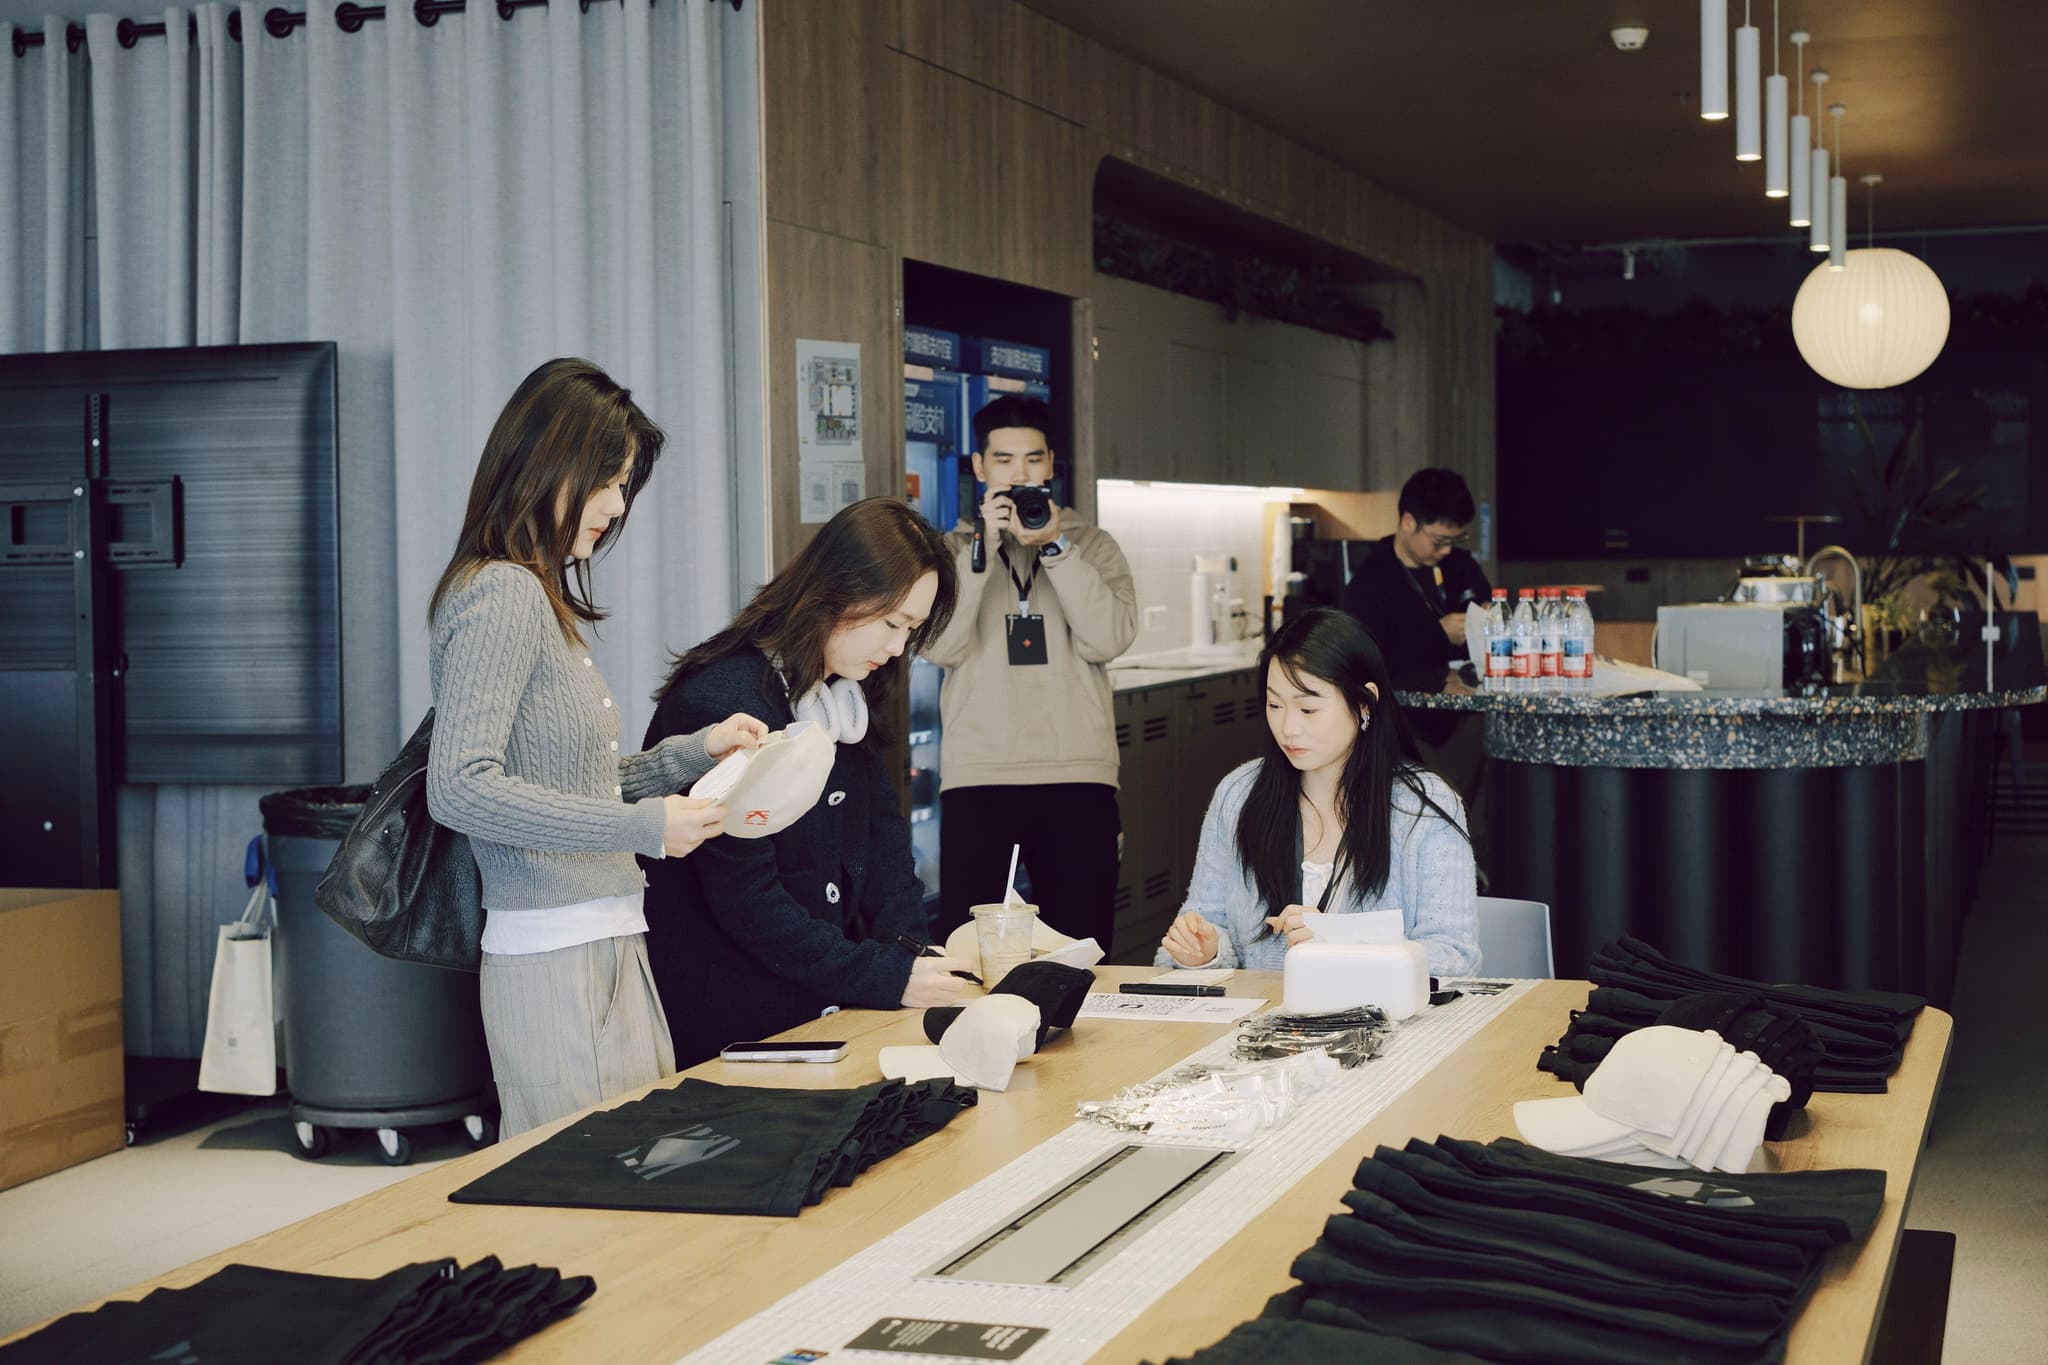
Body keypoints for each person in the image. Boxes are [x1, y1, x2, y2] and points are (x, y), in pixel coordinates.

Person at [426, 357, 767, 1138]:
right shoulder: (502, 592)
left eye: (623, 486)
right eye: (608, 481)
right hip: (558, 954)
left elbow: (566, 781)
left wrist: (694, 754)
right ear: (550, 463)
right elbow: (462, 787)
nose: (616, 506)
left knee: (630, 1186)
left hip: (604, 938)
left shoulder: (537, 597)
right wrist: (646, 829)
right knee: (584, 1193)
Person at [643, 497, 972, 1069]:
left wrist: (915, 957)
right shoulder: (724, 705)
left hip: (823, 1005)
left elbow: (886, 846)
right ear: (835, 591)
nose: (897, 648)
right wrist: (887, 977)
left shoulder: (842, 699)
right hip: (734, 1024)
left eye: (910, 631)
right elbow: (748, 902)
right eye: (892, 624)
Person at [1155, 607, 1480, 977]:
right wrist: (1204, 950)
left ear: (1364, 704)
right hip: (1266, 1027)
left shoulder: (1422, 806)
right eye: (1275, 705)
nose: (1288, 727)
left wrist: (1340, 945)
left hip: (1387, 1030)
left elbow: (1455, 958)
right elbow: (1207, 923)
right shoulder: (1240, 794)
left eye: (1308, 709)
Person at [925, 394, 1138, 951]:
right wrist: (982, 550)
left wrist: (1057, 548)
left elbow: (1109, 637)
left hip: (1078, 774)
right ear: (979, 467)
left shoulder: (1093, 545)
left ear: (1050, 466)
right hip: (979, 775)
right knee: (969, 952)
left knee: (1080, 951)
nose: (1019, 474)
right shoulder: (952, 551)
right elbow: (939, 646)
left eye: (1032, 460)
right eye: (1003, 460)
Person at [1339, 468, 1492, 693]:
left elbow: (1485, 603)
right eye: (1439, 541)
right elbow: (1371, 663)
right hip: (1408, 716)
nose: (1447, 550)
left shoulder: (1461, 565)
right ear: (1409, 522)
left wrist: (1490, 617)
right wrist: (1437, 635)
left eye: (1455, 540)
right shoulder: (1371, 582)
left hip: (1468, 708)